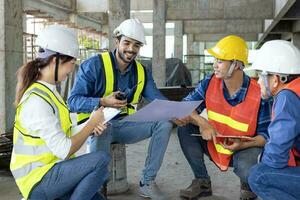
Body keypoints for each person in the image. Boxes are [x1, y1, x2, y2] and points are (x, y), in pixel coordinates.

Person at [68, 18, 173, 199]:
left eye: (137, 45)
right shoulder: (94, 66)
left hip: (125, 125)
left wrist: (184, 113)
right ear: (117, 41)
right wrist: (102, 101)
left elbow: (158, 99)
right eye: (127, 43)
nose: (131, 49)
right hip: (95, 126)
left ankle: (147, 182)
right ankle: (99, 186)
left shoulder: (141, 72)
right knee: (103, 128)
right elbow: (73, 101)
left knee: (164, 123)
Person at [10, 25, 110, 200]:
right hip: (37, 181)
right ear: (55, 60)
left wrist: (89, 126)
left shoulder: (49, 91)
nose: (72, 69)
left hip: (52, 171)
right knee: (101, 160)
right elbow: (64, 149)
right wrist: (92, 123)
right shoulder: (36, 100)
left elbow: (63, 134)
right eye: (71, 63)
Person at [173, 35, 272, 200]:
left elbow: (266, 136)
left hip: (244, 149)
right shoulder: (210, 82)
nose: (214, 65)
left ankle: (248, 187)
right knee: (185, 129)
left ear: (236, 65)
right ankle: (202, 182)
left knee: (247, 169)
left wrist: (243, 145)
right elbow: (185, 106)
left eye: (220, 61)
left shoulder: (259, 94)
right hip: (215, 142)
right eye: (215, 60)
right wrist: (201, 122)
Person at [247, 40, 300, 200]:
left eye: (261, 76)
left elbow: (276, 157)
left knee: (258, 176)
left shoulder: (287, 97)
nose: (257, 82)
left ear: (276, 79)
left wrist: (263, 157)